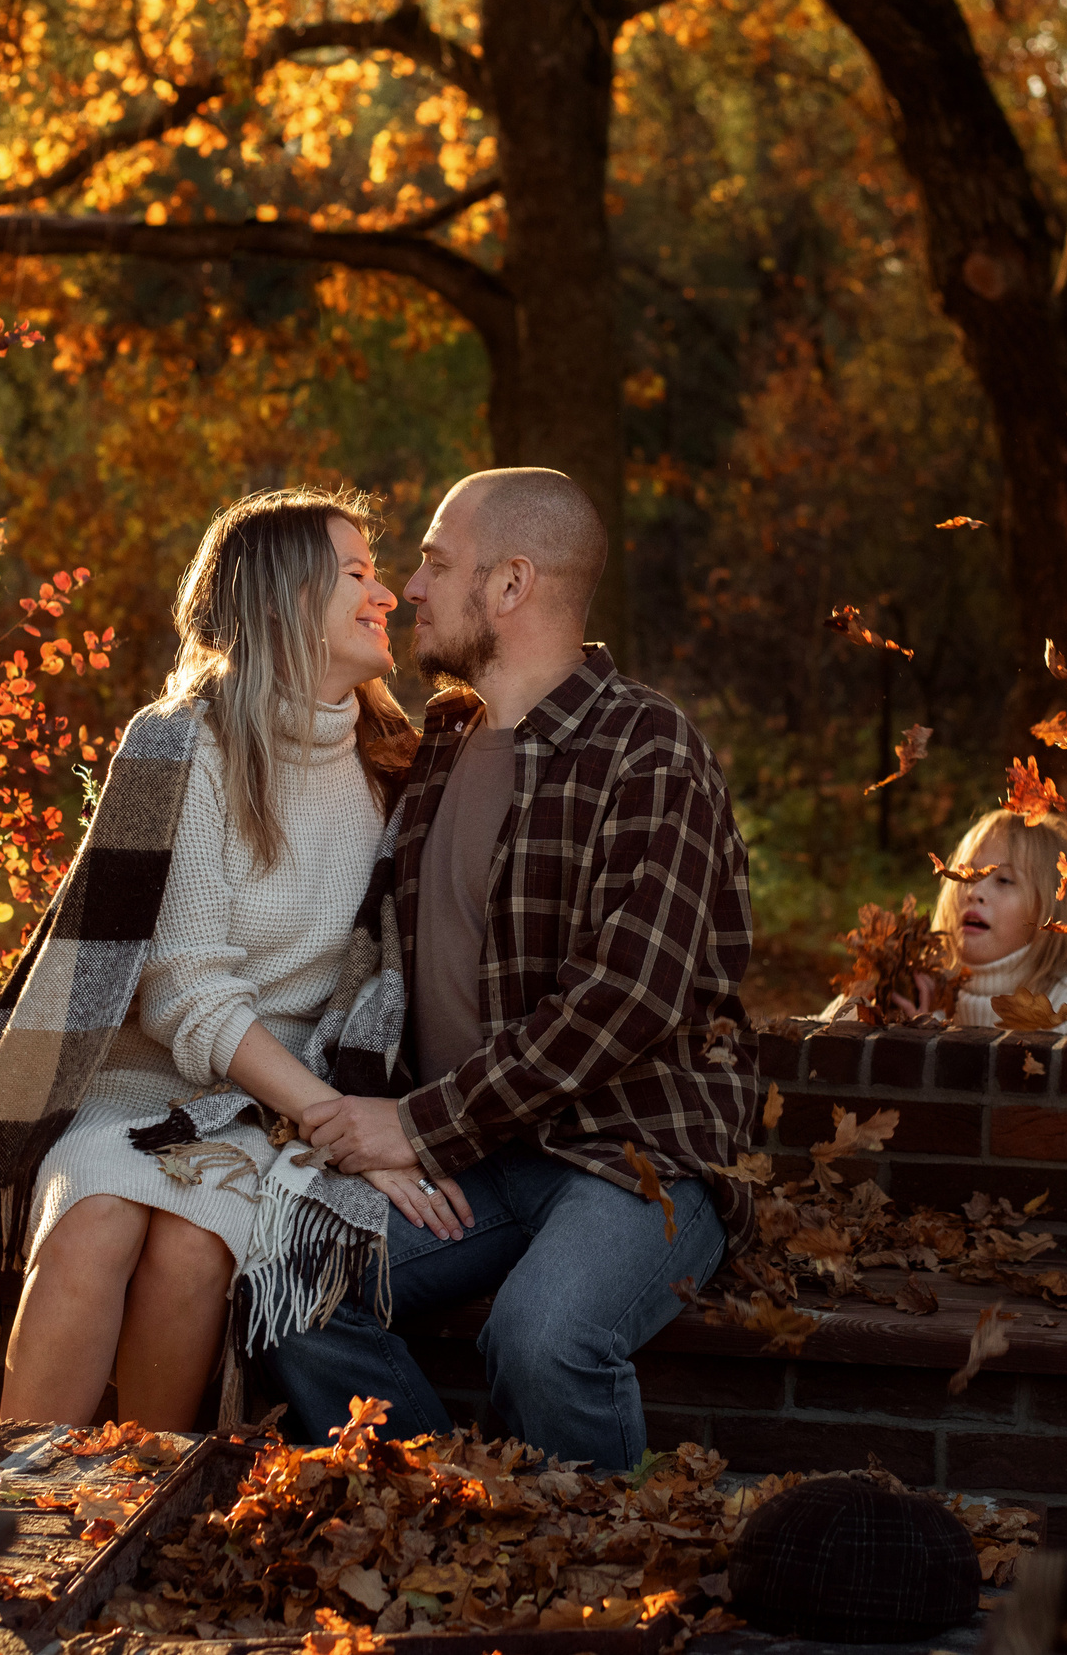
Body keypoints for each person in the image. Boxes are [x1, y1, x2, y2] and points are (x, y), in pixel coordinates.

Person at [0, 487, 471, 1433]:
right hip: (138, 1083)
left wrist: (355, 1117)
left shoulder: (391, 765)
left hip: (267, 1105)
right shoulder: (180, 743)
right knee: (91, 1225)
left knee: (196, 1250)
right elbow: (182, 986)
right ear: (286, 599)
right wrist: (338, 1123)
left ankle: (142, 1510)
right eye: (358, 573)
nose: (387, 593)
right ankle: (23, 1520)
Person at [275, 467, 761, 1471]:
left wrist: (416, 1122)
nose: (407, 588)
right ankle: (450, 1525)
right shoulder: (444, 743)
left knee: (543, 1337)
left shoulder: (646, 746)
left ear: (511, 585)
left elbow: (626, 997)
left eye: (436, 564)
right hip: (480, 1155)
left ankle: (599, 1599)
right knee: (293, 1286)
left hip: (636, 1154)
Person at [930, 809, 1067, 1034]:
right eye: (966, 876)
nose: (974, 892)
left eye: (1004, 880)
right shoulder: (920, 998)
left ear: (1049, 912)